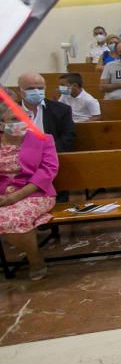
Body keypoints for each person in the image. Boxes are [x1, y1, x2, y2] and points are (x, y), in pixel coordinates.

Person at [0, 93, 59, 280]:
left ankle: (35, 259)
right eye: (13, 119)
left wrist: (15, 197)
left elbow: (48, 171)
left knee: (11, 218)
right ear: (1, 124)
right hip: (2, 195)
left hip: (35, 193)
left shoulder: (43, 139)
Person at [17, 73, 75, 154]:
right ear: (20, 91)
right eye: (30, 88)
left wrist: (48, 153)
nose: (36, 91)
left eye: (40, 88)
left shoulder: (62, 109)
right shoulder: (10, 111)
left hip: (52, 156)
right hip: (18, 157)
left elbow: (67, 137)